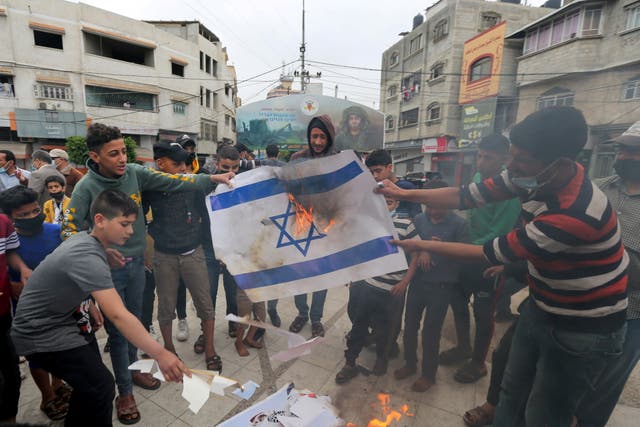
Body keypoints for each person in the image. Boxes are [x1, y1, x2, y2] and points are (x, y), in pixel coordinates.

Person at [378, 106, 628, 425]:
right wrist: (405, 193)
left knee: (546, 411)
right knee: (510, 387)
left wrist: (421, 244)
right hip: (543, 304)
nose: (510, 166)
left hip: (583, 326)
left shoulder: (576, 214)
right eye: (512, 156)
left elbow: (489, 252)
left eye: (520, 160)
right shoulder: (532, 174)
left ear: (560, 165)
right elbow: (466, 195)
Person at [62, 123, 233, 424]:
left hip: (138, 264)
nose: (121, 159)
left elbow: (175, 180)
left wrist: (214, 177)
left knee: (137, 322)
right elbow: (68, 230)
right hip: (106, 270)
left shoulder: (135, 174)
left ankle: (135, 370)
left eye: (123, 152)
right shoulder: (85, 187)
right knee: (118, 331)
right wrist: (98, 252)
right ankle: (125, 392)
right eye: (113, 154)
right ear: (95, 156)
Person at [11, 189, 189, 427]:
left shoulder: (87, 241)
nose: (130, 231)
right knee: (101, 385)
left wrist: (100, 267)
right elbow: (118, 314)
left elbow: (73, 277)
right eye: (124, 224)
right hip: (39, 332)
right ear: (99, 220)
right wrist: (160, 353)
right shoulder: (87, 255)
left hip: (61, 320)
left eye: (133, 224)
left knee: (94, 386)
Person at [439, 134, 521, 384]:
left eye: (488, 158)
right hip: (467, 254)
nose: (481, 162)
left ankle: (477, 363)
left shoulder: (509, 190)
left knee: (484, 312)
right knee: (457, 301)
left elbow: (500, 233)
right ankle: (463, 347)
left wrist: (463, 248)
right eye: (479, 155)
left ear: (504, 160)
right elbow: (468, 214)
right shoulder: (476, 179)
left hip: (490, 259)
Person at [576, 121, 640, 426]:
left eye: (633, 151)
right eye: (622, 149)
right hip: (581, 302)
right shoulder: (597, 187)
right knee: (569, 373)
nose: (624, 156)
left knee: (605, 384)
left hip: (632, 314)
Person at [143, 141, 221, 371]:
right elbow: (137, 214)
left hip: (193, 252)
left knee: (205, 305)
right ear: (160, 164)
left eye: (185, 164)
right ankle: (170, 350)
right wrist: (142, 250)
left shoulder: (193, 183)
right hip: (164, 256)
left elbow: (210, 210)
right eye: (176, 164)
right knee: (166, 307)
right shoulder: (150, 187)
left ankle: (210, 349)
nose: (183, 169)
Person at [0, 186, 69, 420]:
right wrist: (12, 283)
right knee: (36, 354)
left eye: (35, 211)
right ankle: (47, 396)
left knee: (59, 349)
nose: (32, 217)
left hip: (59, 304)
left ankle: (58, 384)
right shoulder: (9, 241)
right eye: (24, 215)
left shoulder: (55, 231)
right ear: (9, 218)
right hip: (26, 309)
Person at [393, 179, 468, 392]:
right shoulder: (418, 219)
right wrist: (424, 249)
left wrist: (441, 248)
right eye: (430, 206)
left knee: (431, 332)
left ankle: (428, 375)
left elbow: (465, 257)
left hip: (442, 287)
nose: (433, 211)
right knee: (410, 328)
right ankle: (409, 363)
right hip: (418, 283)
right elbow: (410, 248)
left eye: (439, 206)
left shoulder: (459, 225)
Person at [335, 195, 418, 384]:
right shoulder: (371, 223)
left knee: (387, 329)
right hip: (368, 285)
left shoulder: (406, 224)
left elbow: (416, 255)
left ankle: (381, 359)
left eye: (389, 202)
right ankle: (349, 363)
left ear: (397, 203)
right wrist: (355, 276)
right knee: (358, 326)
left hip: (393, 289)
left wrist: (405, 282)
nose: (385, 205)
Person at [287, 115, 338, 338]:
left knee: (321, 276)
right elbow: (287, 186)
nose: (318, 141)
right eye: (314, 136)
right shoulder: (297, 159)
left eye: (322, 137)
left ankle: (316, 318)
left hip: (326, 227)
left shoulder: (338, 160)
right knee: (300, 274)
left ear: (330, 138)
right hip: (300, 225)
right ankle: (302, 314)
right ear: (309, 137)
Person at [0, 213, 31, 424]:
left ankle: (10, 419)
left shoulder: (3, 222)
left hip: (2, 312)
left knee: (10, 370)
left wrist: (21, 268)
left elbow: (10, 252)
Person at [365, 149, 421, 219]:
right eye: (371, 172)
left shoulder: (406, 187)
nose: (375, 176)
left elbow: (416, 217)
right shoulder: (373, 189)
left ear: (390, 167)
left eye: (378, 171)